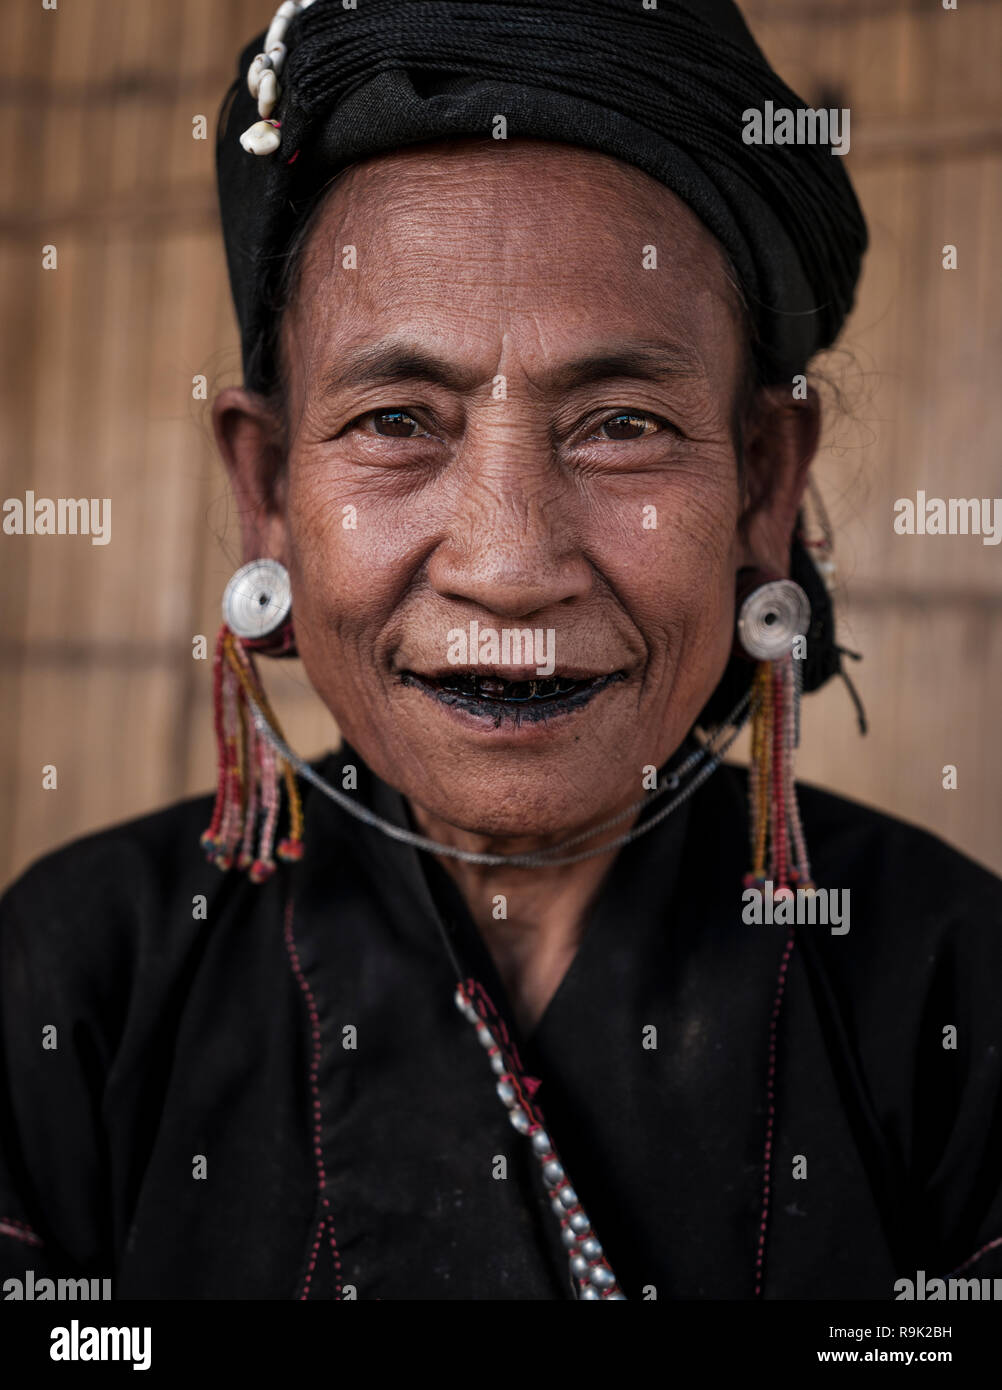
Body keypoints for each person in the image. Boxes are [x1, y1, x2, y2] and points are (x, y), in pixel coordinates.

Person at [1, 0, 1000, 1302]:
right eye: (397, 420)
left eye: (623, 422)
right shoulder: (77, 975)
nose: (508, 561)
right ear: (265, 491)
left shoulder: (951, 984)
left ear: (760, 482)